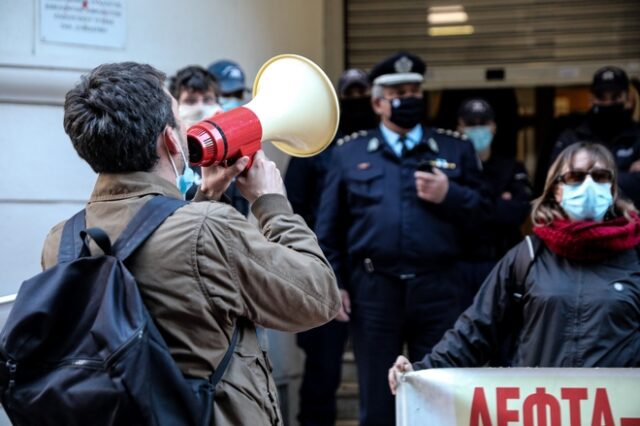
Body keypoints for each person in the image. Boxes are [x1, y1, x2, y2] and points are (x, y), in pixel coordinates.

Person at [42, 62, 341, 425]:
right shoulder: (209, 227)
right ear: (170, 140)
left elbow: (167, 291)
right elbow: (318, 296)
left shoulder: (62, 239)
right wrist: (270, 202)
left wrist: (204, 199)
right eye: (179, 120)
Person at [315, 52, 492, 426]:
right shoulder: (350, 152)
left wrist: (452, 194)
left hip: (439, 288)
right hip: (374, 290)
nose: (409, 98)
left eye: (415, 91)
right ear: (378, 102)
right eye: (399, 92)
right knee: (378, 400)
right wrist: (336, 283)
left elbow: (486, 219)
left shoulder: (454, 148)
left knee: (441, 390)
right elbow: (329, 229)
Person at [389, 142, 640, 394]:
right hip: (542, 410)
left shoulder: (634, 259)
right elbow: (475, 331)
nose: (588, 186)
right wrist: (419, 372)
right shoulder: (527, 256)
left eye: (600, 177)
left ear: (613, 188)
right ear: (556, 190)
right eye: (575, 176)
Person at [284, 68, 376, 426]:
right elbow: (292, 208)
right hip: (321, 270)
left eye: (361, 92)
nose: (356, 98)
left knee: (378, 369)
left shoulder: (381, 143)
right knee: (322, 371)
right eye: (349, 93)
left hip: (371, 272)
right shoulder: (315, 145)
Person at [456, 98, 532, 308]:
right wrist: (497, 202)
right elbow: (451, 214)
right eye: (471, 124)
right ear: (460, 128)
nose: (477, 129)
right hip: (460, 266)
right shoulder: (453, 170)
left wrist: (471, 204)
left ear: (493, 127)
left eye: (483, 123)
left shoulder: (511, 167)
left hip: (501, 261)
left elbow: (517, 213)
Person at [551, 66, 640, 208]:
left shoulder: (637, 136)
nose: (608, 102)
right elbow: (557, 182)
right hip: (582, 223)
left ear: (628, 98)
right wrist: (625, 176)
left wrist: (584, 177)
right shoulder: (571, 137)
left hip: (632, 222)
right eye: (601, 96)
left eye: (615, 96)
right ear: (591, 98)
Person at [168, 65, 222, 200]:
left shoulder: (229, 154)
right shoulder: (167, 156)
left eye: (207, 100)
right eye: (190, 101)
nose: (200, 108)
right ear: (174, 107)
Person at [206, 59, 250, 215]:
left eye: (237, 94)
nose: (233, 100)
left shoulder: (246, 139)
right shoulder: (196, 144)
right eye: (226, 94)